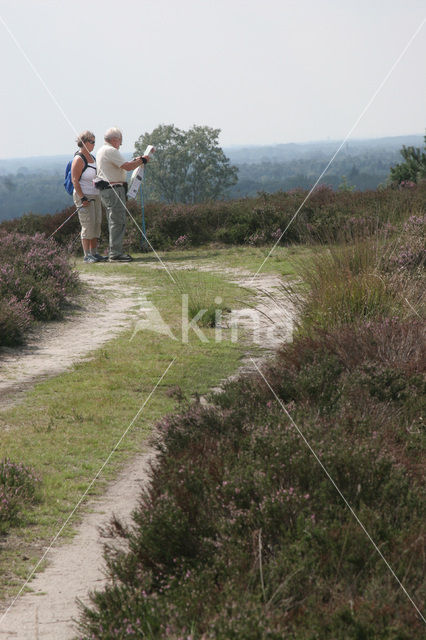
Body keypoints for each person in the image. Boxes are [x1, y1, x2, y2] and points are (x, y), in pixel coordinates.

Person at [96, 127, 149, 262]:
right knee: (117, 221)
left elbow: (123, 164)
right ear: (114, 140)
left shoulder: (103, 150)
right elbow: (127, 167)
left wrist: (137, 160)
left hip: (109, 190)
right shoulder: (111, 150)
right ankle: (115, 254)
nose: (120, 144)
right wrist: (142, 161)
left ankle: (115, 251)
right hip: (114, 189)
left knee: (115, 220)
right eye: (120, 141)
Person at [71, 130, 106, 263]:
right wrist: (82, 198)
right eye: (91, 142)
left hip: (95, 194)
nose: (93, 144)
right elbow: (75, 180)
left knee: (97, 223)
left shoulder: (93, 158)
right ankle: (87, 256)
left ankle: (94, 253)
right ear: (84, 142)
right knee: (87, 224)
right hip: (84, 196)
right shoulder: (79, 159)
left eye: (94, 142)